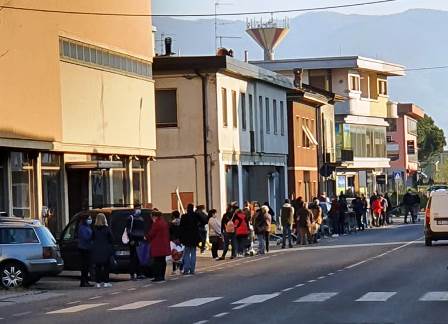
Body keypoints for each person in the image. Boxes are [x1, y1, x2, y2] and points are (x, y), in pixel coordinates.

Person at [91, 213, 114, 288]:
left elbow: (92, 238)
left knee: (98, 267)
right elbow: (111, 239)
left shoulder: (94, 229)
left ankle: (98, 282)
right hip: (105, 249)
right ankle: (106, 282)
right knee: (106, 266)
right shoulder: (106, 229)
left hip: (96, 249)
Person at [147, 211, 171, 282]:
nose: (151, 218)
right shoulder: (164, 222)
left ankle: (158, 276)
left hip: (157, 245)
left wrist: (146, 237)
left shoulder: (156, 223)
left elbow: (152, 233)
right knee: (162, 261)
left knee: (157, 262)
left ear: (155, 216)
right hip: (164, 244)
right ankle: (162, 276)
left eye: (152, 217)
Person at [179, 204, 201, 274]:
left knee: (187, 253)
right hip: (194, 237)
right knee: (193, 253)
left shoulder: (184, 216)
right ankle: (192, 270)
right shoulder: (196, 216)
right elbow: (204, 220)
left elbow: (181, 228)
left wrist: (181, 237)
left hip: (186, 237)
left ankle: (186, 269)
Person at [126, 206, 146, 280]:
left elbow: (143, 229)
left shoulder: (141, 218)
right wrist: (131, 239)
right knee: (133, 257)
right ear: (134, 209)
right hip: (133, 240)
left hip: (140, 240)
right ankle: (132, 274)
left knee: (139, 257)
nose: (139, 210)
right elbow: (128, 229)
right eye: (137, 208)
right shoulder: (130, 218)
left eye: (139, 209)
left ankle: (139, 273)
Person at [78, 214, 93, 287]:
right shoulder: (82, 227)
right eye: (89, 219)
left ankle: (86, 281)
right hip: (84, 248)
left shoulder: (87, 227)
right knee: (85, 266)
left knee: (87, 266)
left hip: (88, 247)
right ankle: (84, 281)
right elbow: (85, 237)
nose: (90, 220)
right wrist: (92, 236)